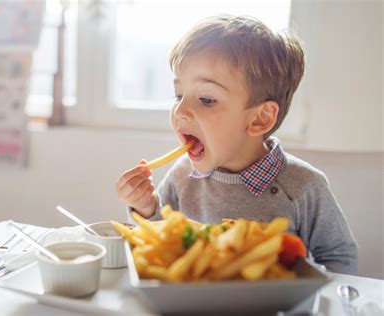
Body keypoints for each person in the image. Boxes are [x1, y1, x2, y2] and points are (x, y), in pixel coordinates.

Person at [116, 14, 358, 274]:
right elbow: (162, 237)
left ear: (259, 118)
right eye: (178, 95)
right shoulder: (182, 174)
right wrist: (145, 206)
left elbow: (339, 256)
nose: (180, 111)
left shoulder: (304, 186)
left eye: (206, 99)